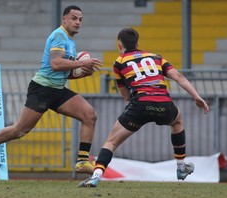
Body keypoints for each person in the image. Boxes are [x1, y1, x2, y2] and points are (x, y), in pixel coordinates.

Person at [0, 5, 103, 174]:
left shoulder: (70, 41)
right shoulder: (59, 35)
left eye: (80, 19)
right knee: (19, 130)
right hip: (42, 89)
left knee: (89, 115)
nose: (78, 22)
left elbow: (64, 73)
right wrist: (82, 63)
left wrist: (83, 74)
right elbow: (55, 64)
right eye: (74, 18)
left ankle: (82, 161)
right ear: (64, 19)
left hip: (58, 90)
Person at [78, 27, 209, 188]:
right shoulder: (156, 58)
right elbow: (178, 77)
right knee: (177, 121)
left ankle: (96, 176)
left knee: (111, 142)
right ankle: (181, 167)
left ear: (120, 45)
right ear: (138, 43)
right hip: (164, 104)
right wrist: (196, 96)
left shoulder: (119, 62)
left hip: (139, 105)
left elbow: (126, 96)